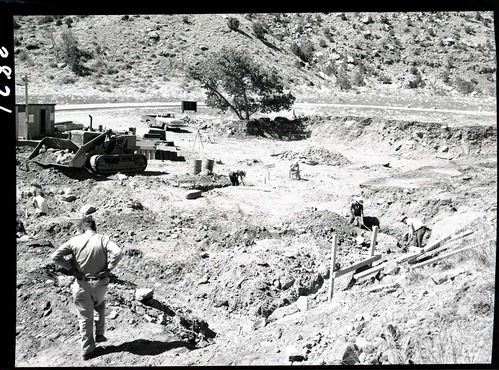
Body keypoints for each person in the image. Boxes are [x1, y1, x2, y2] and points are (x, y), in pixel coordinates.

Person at [51, 216, 123, 361]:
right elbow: (118, 252)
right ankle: (100, 334)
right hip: (100, 284)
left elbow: (55, 256)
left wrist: (71, 268)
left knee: (85, 318)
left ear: (82, 228)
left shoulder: (74, 241)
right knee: (99, 303)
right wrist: (109, 269)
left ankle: (88, 350)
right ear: (94, 227)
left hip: (82, 284)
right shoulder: (103, 239)